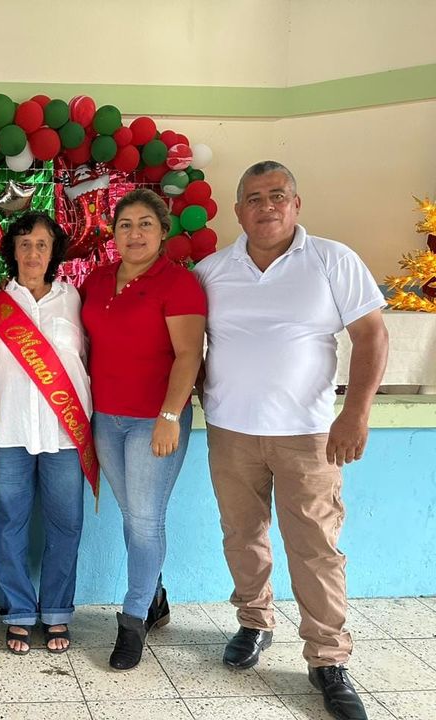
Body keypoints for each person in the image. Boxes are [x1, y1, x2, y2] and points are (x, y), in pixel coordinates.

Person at [194, 161, 388, 720]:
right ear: (238, 211)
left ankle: (328, 657)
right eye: (254, 198)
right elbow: (189, 344)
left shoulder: (333, 259)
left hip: (309, 436)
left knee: (315, 546)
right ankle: (254, 622)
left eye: (277, 195)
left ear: (296, 204)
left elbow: (372, 334)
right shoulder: (211, 271)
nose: (267, 207)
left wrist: (356, 413)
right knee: (242, 537)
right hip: (231, 431)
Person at [80, 188, 207, 671]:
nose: (135, 233)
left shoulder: (179, 282)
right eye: (126, 224)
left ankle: (133, 620)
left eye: (145, 224)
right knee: (133, 514)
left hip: (155, 420)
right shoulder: (96, 280)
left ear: (163, 231)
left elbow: (189, 355)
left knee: (145, 520)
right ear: (113, 233)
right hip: (105, 419)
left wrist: (170, 415)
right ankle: (155, 597)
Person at [0, 212, 94, 655]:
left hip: (65, 433)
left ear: (54, 252)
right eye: (24, 243)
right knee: (8, 524)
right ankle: (18, 612)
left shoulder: (75, 300)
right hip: (9, 429)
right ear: (12, 250)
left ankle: (57, 611)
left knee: (66, 524)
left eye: (42, 244)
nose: (33, 252)